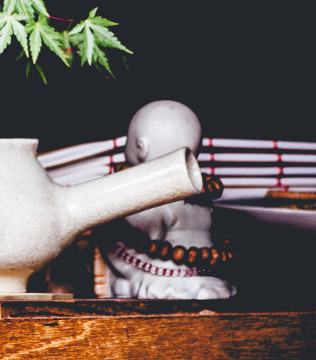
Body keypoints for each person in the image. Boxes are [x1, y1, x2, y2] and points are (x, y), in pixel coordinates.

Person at [98, 100, 236, 300]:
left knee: (111, 245)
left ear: (141, 148)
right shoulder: (203, 199)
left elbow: (147, 229)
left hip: (168, 276)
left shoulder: (151, 197)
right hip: (205, 273)